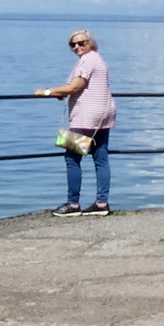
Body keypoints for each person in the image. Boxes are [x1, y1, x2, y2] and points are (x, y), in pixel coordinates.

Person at [35, 29, 115, 217]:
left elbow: (75, 86)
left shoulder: (87, 60)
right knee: (101, 158)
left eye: (81, 43)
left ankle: (73, 204)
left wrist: (45, 92)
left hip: (85, 117)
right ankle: (102, 203)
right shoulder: (98, 59)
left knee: (72, 158)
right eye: (73, 44)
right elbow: (74, 89)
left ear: (91, 43)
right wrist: (60, 93)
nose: (77, 47)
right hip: (104, 115)